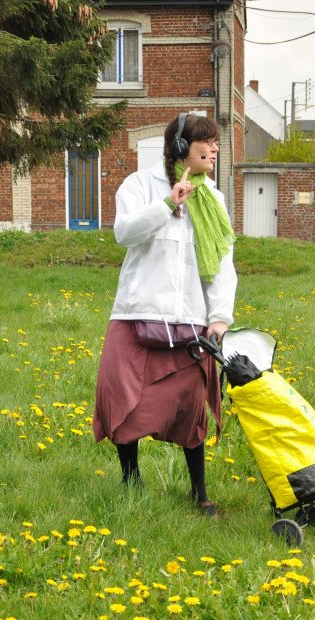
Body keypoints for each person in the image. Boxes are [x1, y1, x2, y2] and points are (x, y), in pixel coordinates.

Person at [93, 113, 237, 516]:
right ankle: (130, 478)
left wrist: (220, 316)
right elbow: (124, 233)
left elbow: (223, 261)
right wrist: (166, 204)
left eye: (216, 142)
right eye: (206, 142)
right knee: (124, 395)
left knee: (191, 407)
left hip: (190, 318)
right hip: (136, 312)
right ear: (179, 148)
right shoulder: (140, 185)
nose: (214, 148)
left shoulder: (215, 200)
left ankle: (199, 492)